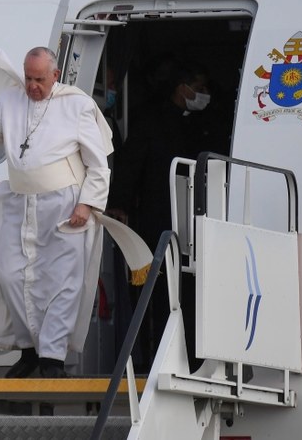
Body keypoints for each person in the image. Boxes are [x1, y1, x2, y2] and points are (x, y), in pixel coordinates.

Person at [0, 45, 112, 378]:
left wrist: (86, 204)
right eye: (28, 78)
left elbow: (98, 164)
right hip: (20, 202)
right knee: (13, 276)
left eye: (40, 80)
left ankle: (52, 360)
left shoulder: (77, 105)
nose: (32, 86)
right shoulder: (11, 100)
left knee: (62, 283)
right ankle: (31, 350)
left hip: (65, 206)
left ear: (55, 75)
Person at [105, 58, 213, 371]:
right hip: (157, 221)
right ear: (183, 88)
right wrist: (120, 203)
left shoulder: (194, 124)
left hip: (192, 224)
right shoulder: (152, 122)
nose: (205, 94)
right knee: (160, 296)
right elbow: (131, 166)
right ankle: (157, 360)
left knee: (190, 293)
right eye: (200, 88)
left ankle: (190, 357)